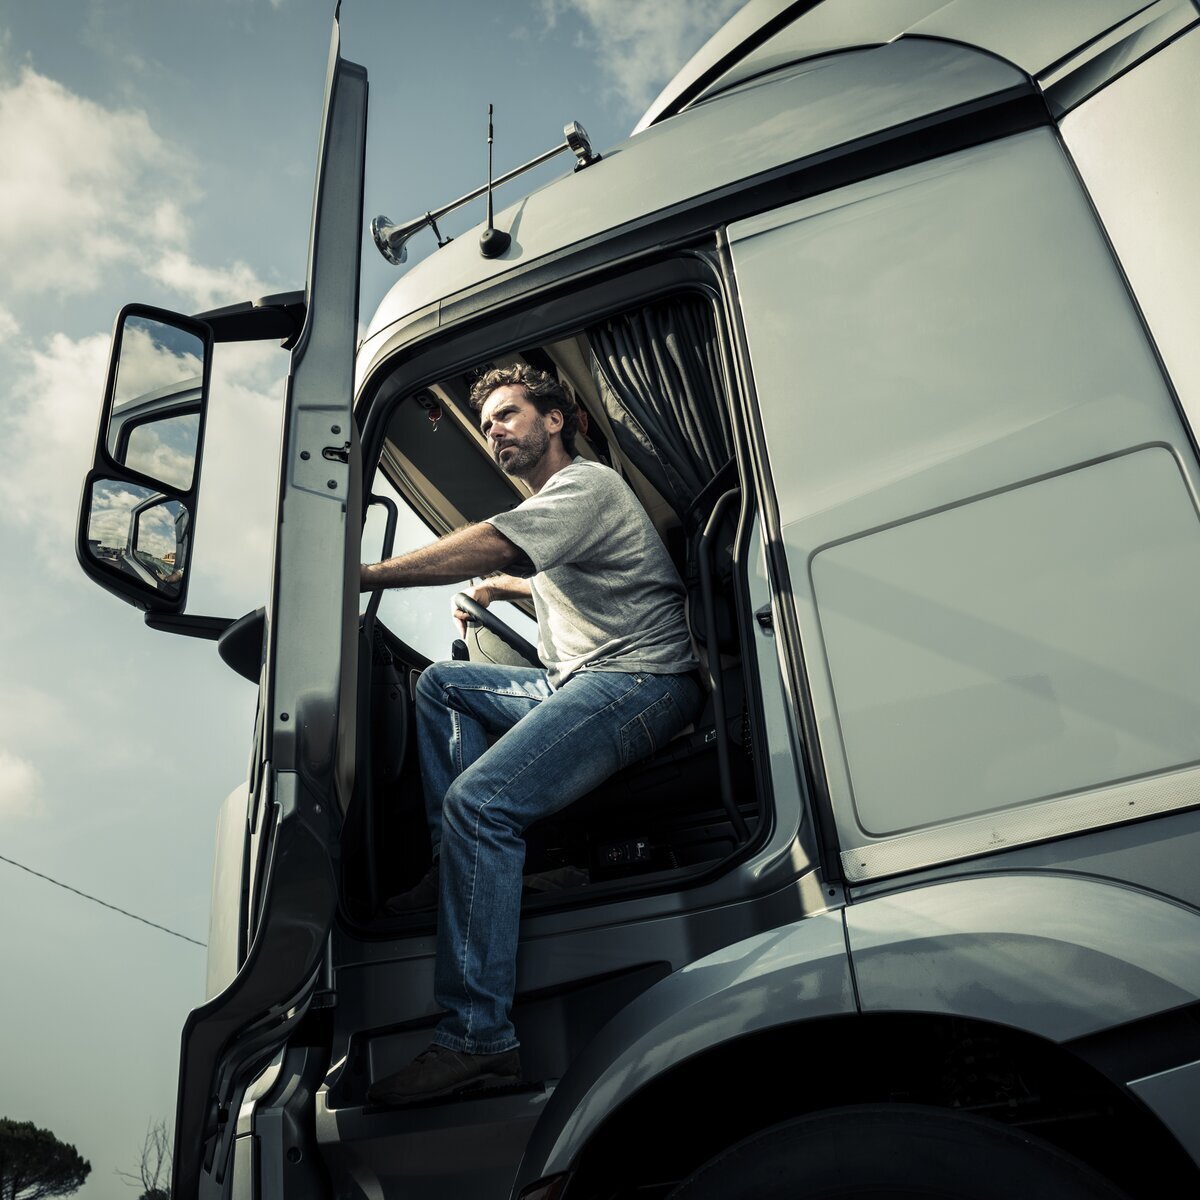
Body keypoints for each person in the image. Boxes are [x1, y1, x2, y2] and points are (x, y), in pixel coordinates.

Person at [359, 364, 702, 1104]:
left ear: (556, 419)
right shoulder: (560, 508)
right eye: (486, 426)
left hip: (642, 682)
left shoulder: (585, 486)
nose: (494, 433)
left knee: (480, 802)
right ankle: (460, 868)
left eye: (508, 415)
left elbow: (505, 546)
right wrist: (496, 591)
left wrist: (367, 575)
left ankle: (477, 1040)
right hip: (577, 679)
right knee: (443, 686)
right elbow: (539, 573)